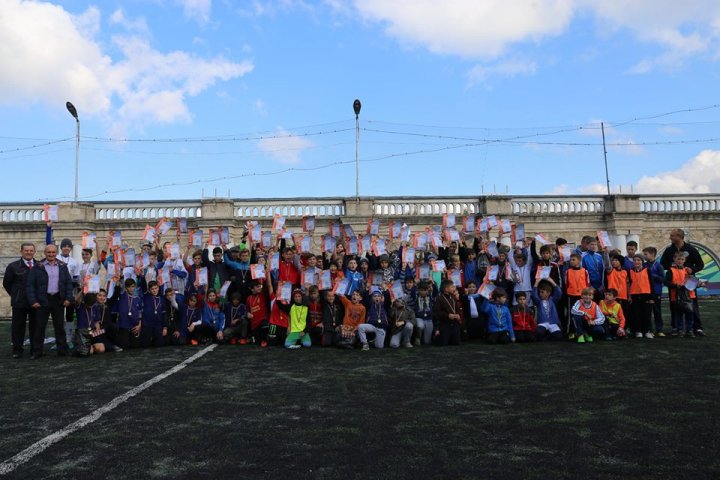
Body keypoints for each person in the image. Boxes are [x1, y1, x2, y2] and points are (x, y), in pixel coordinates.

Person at [26, 244, 74, 358]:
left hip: (58, 299)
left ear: (56, 253)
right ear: (45, 253)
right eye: (49, 252)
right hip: (42, 300)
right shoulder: (38, 266)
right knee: (39, 327)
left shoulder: (63, 266)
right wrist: (33, 301)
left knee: (59, 327)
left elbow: (68, 283)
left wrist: (68, 298)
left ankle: (62, 351)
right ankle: (37, 352)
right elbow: (30, 285)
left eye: (53, 252)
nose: (51, 254)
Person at [659, 228, 705, 336]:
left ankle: (697, 328)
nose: (670, 237)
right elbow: (662, 264)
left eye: (672, 235)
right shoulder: (669, 250)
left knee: (692, 306)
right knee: (674, 306)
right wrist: (672, 265)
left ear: (679, 237)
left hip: (689, 284)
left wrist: (692, 270)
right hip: (675, 284)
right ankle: (675, 328)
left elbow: (700, 264)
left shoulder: (691, 249)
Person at [3, 242, 37, 359]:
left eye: (31, 250)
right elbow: (7, 283)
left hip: (35, 302)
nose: (29, 252)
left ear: (34, 252)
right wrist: (16, 294)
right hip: (19, 302)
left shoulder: (39, 265)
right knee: (18, 327)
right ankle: (17, 350)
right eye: (26, 250)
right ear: (21, 251)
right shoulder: (13, 266)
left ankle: (35, 349)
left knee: (35, 327)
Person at [664, 251, 697, 337]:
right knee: (679, 314)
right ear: (674, 259)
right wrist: (676, 285)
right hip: (676, 296)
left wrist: (699, 283)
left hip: (689, 296)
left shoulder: (688, 270)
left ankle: (689, 330)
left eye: (682, 259)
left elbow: (693, 281)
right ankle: (680, 330)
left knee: (689, 314)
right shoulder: (670, 271)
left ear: (684, 260)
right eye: (678, 259)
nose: (680, 261)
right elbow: (666, 282)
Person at [628, 254, 653, 339]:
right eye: (635, 260)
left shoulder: (647, 270)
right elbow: (629, 284)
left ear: (642, 261)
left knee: (646, 314)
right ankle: (638, 331)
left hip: (646, 294)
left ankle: (647, 331)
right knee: (636, 314)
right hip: (634, 294)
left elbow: (651, 283)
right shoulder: (630, 271)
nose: (636, 262)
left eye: (639, 260)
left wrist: (651, 296)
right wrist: (629, 296)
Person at [113, 278, 143, 349]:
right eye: (129, 287)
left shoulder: (137, 298)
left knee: (135, 347)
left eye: (132, 286)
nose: (131, 288)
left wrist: (139, 324)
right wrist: (121, 276)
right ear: (126, 287)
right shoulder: (122, 295)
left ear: (135, 286)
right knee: (124, 346)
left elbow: (140, 313)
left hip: (135, 327)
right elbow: (121, 286)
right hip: (124, 326)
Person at [643, 247, 665, 336]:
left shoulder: (658, 265)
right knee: (647, 312)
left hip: (656, 292)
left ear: (652, 254)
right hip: (646, 291)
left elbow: (663, 279)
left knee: (657, 311)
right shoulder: (644, 265)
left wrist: (653, 276)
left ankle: (659, 330)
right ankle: (649, 329)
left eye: (646, 254)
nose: (644, 256)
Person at [433, 279, 463, 346]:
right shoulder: (439, 298)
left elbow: (458, 309)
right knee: (443, 343)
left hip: (454, 323)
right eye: (452, 287)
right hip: (445, 323)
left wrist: (458, 315)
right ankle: (437, 335)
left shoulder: (453, 298)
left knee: (456, 343)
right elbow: (436, 312)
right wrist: (447, 315)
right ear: (446, 289)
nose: (454, 288)